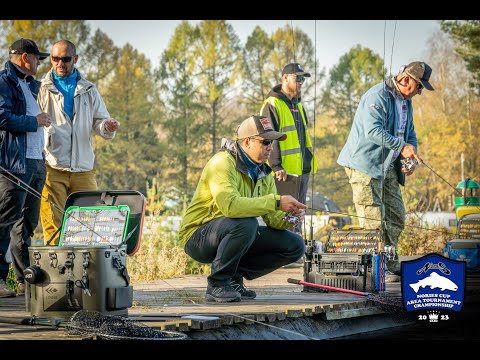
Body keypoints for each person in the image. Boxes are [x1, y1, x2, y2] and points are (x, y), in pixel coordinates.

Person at [179, 115, 306, 303]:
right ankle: (218, 283)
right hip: (197, 236)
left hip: (235, 230)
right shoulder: (222, 162)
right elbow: (230, 206)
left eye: (272, 142)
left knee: (295, 245)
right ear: (247, 141)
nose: (271, 147)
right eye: (266, 142)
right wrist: (276, 201)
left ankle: (233, 278)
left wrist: (290, 217)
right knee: (247, 223)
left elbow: (272, 218)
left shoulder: (264, 172)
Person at [337, 61, 434, 282]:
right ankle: (377, 269)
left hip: (387, 166)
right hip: (364, 165)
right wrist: (402, 147)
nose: (419, 93)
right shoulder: (377, 96)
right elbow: (373, 131)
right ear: (406, 79)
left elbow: (409, 134)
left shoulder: (406, 102)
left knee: (396, 215)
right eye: (419, 87)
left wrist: (410, 155)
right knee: (373, 221)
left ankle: (389, 262)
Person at [37, 40, 120, 245]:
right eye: (55, 59)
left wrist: (106, 127)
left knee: (86, 223)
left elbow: (100, 121)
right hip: (52, 167)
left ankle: (84, 271)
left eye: (65, 59)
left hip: (83, 169)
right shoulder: (41, 88)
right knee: (53, 224)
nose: (60, 64)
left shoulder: (89, 89)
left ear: (75, 59)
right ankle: (56, 274)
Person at [0, 39, 51, 297]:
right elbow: (2, 117)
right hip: (13, 162)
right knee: (5, 221)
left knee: (28, 222)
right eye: (37, 58)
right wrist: (34, 121)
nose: (39, 62)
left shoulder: (33, 85)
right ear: (24, 58)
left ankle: (24, 280)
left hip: (35, 160)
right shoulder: (3, 81)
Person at [260, 63, 318, 234]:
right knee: (283, 216)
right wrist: (276, 166)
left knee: (298, 214)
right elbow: (267, 136)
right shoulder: (272, 104)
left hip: (302, 169)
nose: (301, 82)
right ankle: (285, 253)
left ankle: (297, 250)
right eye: (298, 78)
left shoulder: (297, 104)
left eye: (303, 79)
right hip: (284, 173)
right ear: (285, 78)